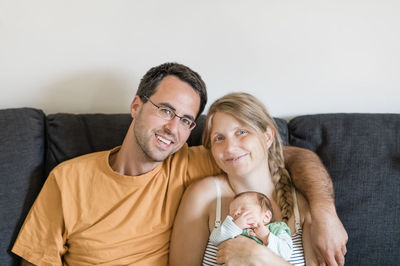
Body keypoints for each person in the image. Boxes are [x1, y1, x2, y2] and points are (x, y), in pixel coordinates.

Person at [12, 63, 347, 266]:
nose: (174, 128)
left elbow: (287, 156)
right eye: (166, 110)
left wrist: (325, 212)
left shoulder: (194, 163)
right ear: (135, 106)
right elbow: (35, 259)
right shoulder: (68, 178)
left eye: (187, 120)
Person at [170, 92, 342, 266]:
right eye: (219, 138)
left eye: (241, 132)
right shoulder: (203, 195)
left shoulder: (303, 203)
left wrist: (260, 258)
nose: (230, 148)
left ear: (267, 136)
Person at [209, 191, 293, 261]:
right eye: (232, 213)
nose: (236, 213)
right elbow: (215, 240)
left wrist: (266, 236)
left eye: (243, 209)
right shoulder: (232, 230)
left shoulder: (276, 229)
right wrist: (234, 226)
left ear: (266, 217)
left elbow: (286, 253)